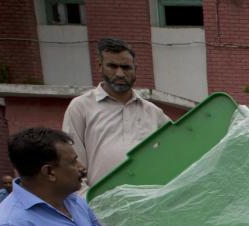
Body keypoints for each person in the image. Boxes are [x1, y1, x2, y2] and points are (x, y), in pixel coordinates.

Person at [62, 38, 170, 191]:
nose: (120, 73)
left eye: (126, 67)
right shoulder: (81, 107)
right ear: (100, 66)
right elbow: (71, 162)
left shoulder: (153, 112)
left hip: (149, 202)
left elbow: (175, 150)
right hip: (100, 205)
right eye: (112, 66)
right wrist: (87, 203)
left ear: (135, 68)